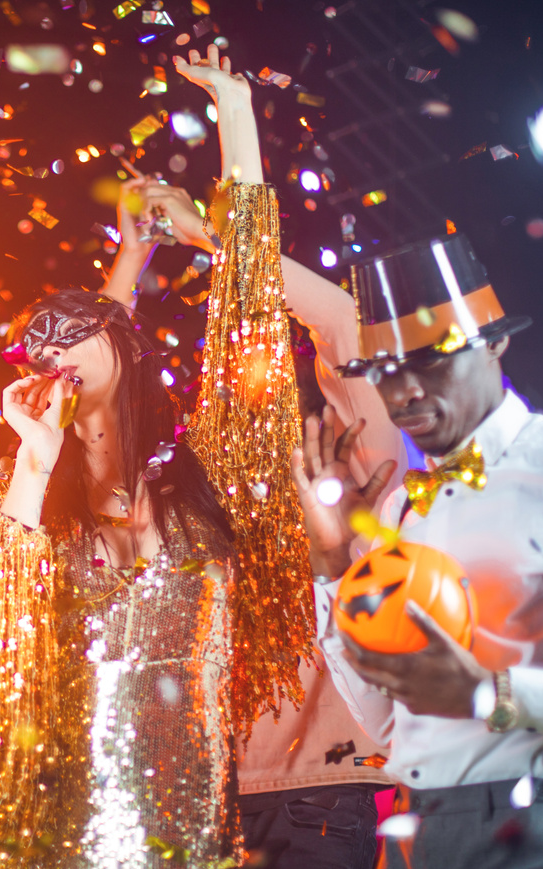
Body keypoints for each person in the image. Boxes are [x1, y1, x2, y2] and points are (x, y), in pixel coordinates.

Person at [0, 48, 311, 868]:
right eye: (36, 343)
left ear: (119, 338)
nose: (49, 345)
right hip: (64, 843)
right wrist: (34, 460)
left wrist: (234, 111)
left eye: (70, 326)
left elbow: (247, 309)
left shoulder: (206, 479)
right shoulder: (34, 491)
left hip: (200, 844)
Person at [290, 232, 543, 867]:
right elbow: (385, 724)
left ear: (494, 341)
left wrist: (490, 692)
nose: (401, 392)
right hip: (418, 833)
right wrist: (332, 567)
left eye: (431, 360)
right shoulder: (404, 509)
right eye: (381, 370)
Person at [104, 180, 398, 866]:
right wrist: (131, 256)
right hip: (180, 797)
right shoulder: (174, 492)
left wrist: (211, 233)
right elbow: (92, 400)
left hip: (313, 794)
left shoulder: (352, 471)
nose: (241, 386)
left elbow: (339, 320)